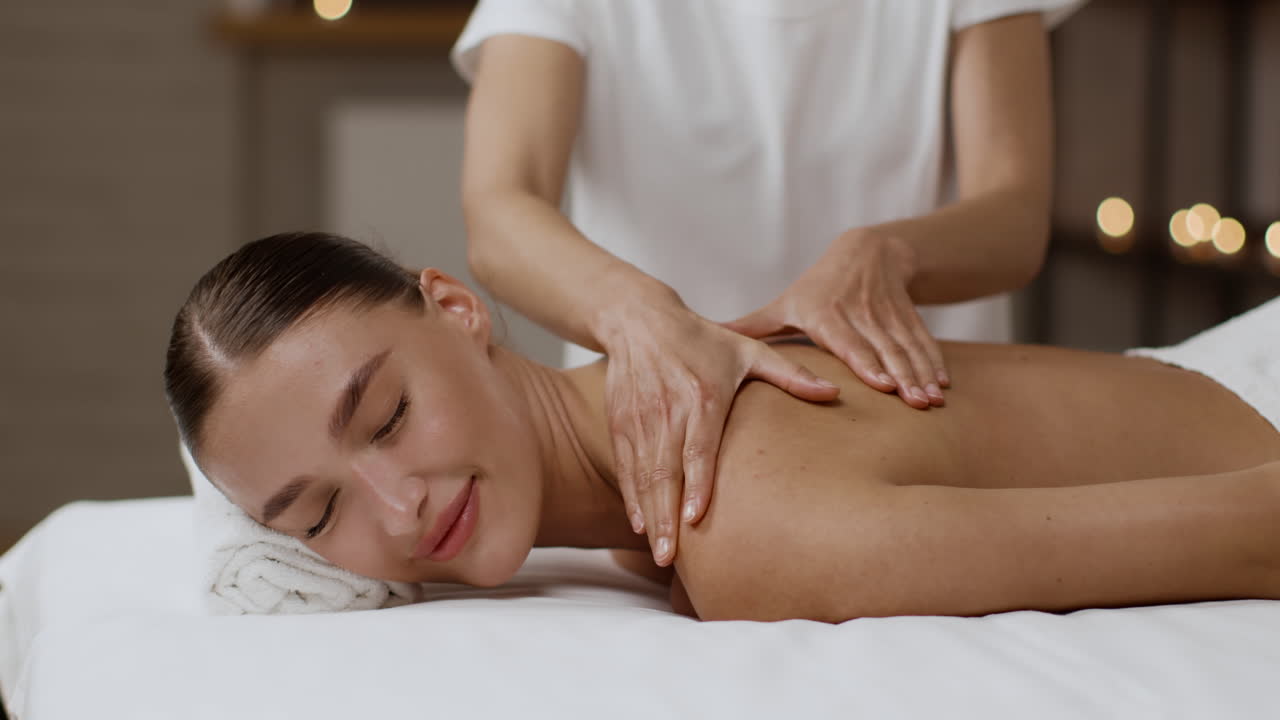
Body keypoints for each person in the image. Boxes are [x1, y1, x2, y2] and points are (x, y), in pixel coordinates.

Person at [165, 233, 1280, 623]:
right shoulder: (637, 514)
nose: (401, 508)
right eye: (317, 517)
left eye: (390, 415)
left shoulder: (742, 525)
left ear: (459, 311)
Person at [452, 0, 1085, 566]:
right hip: (665, 476)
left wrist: (888, 254)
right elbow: (501, 207)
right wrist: (640, 317)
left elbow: (1015, 217)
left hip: (935, 441)